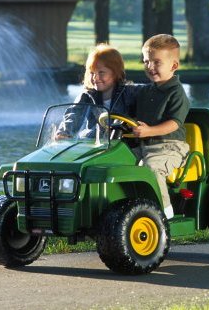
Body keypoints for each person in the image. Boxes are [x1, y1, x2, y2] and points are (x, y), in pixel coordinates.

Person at [131, 34, 190, 219]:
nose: (150, 67)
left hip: (170, 146)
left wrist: (149, 131)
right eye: (146, 61)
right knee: (117, 161)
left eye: (156, 62)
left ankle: (163, 213)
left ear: (173, 66)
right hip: (145, 145)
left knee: (151, 168)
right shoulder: (146, 90)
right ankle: (129, 209)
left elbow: (174, 123)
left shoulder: (176, 92)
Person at [56, 44, 137, 138]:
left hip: (121, 144)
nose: (95, 78)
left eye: (101, 72)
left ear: (116, 73)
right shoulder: (87, 95)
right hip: (94, 142)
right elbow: (74, 114)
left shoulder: (129, 93)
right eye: (92, 73)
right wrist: (64, 132)